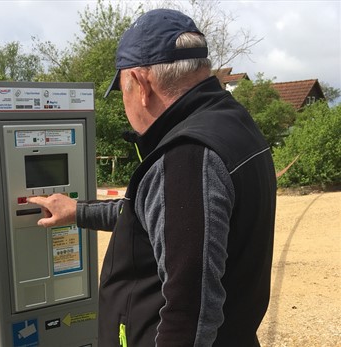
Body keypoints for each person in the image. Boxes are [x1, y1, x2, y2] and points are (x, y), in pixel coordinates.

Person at [29, 8, 276, 347]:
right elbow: (159, 217)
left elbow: (189, 311)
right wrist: (77, 211)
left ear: (142, 85)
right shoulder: (233, 124)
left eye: (124, 90)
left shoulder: (188, 157)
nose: (127, 105)